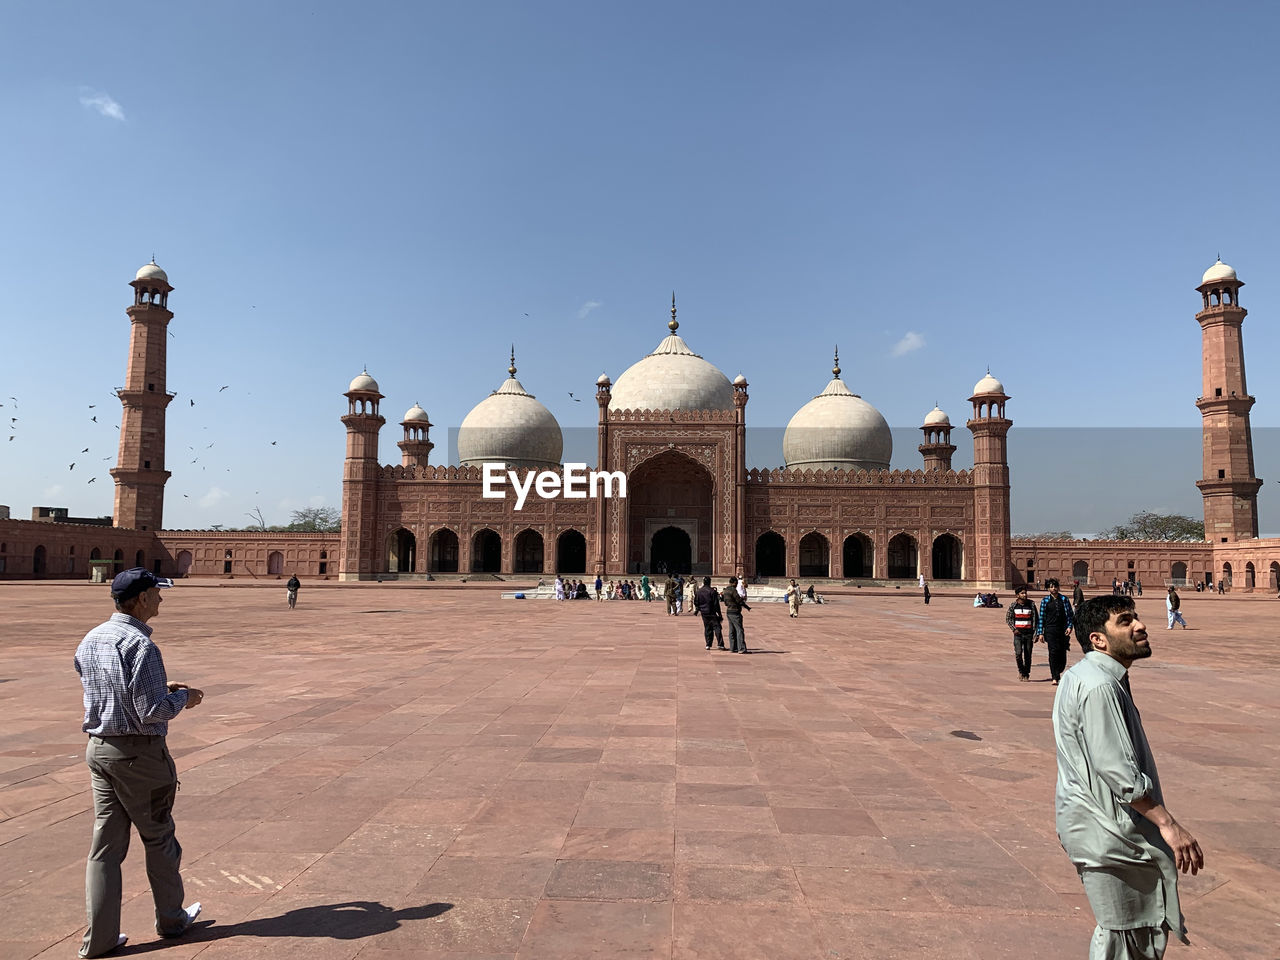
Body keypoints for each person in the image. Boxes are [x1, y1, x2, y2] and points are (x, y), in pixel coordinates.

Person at [1054, 595, 1202, 959]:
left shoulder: (1085, 676)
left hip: (1096, 825)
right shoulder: (1100, 686)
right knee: (1126, 938)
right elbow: (1118, 771)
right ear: (1097, 639)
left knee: (1128, 933)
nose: (1140, 626)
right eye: (1125, 621)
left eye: (1136, 618)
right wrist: (1168, 825)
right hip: (1109, 830)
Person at [74, 568, 204, 958]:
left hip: (100, 749)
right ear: (143, 599)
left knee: (105, 848)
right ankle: (172, 919)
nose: (161, 600)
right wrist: (185, 698)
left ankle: (98, 940)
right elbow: (151, 712)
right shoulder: (142, 646)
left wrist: (156, 690)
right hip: (139, 757)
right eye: (157, 594)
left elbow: (102, 687)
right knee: (159, 837)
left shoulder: (92, 637)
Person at [1036, 578, 1077, 684]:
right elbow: (1042, 618)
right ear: (1048, 589)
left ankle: (1058, 670)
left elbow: (1070, 615)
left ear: (1058, 587)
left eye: (1055, 586)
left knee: (1062, 652)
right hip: (1050, 630)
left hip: (1062, 630)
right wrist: (1040, 632)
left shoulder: (1064, 599)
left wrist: (1069, 627)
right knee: (1053, 652)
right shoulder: (1045, 601)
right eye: (1051, 587)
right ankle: (1055, 676)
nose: (1053, 588)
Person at [1005, 585, 1039, 681]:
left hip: (1029, 633)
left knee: (1028, 655)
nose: (1025, 595)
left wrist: (1036, 633)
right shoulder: (1013, 605)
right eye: (1022, 593)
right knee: (1018, 653)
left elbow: (1036, 619)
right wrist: (1014, 629)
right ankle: (1021, 671)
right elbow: (1008, 618)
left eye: (1025, 593)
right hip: (1018, 634)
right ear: (1017, 595)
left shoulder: (1031, 605)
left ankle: (1026, 674)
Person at [721, 576, 751, 653]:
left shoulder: (726, 590)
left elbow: (725, 603)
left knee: (732, 630)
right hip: (735, 612)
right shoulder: (733, 590)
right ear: (734, 583)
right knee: (739, 630)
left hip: (729, 611)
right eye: (736, 583)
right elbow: (738, 600)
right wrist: (746, 605)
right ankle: (741, 648)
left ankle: (733, 647)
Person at [694, 576, 726, 649]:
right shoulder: (712, 591)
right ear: (709, 582)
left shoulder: (699, 591)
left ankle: (708, 644)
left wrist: (698, 609)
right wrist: (720, 614)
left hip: (704, 612)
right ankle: (720, 644)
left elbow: (696, 602)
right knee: (717, 627)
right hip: (712, 612)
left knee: (707, 627)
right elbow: (716, 604)